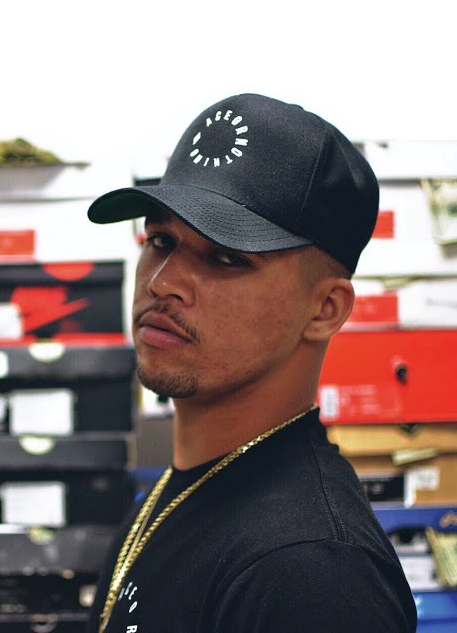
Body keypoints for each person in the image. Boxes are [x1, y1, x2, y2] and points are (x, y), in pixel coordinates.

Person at [84, 93, 417, 632]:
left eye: (226, 257)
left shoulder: (309, 573)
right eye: (161, 239)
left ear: (325, 310)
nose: (163, 283)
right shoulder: (182, 490)